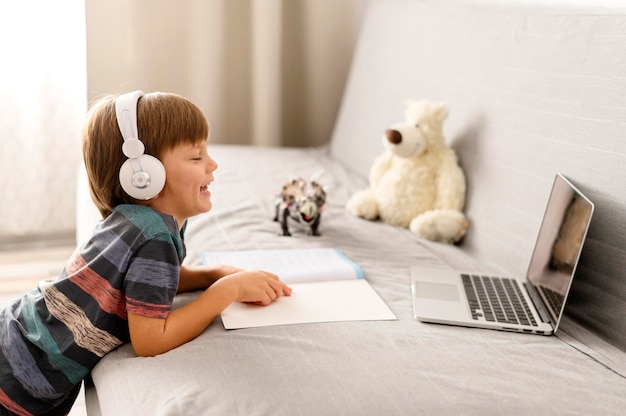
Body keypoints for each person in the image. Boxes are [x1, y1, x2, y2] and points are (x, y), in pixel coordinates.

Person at [0, 91, 291, 416]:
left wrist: (211, 274)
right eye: (196, 157)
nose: (213, 164)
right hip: (17, 377)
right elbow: (150, 341)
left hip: (17, 337)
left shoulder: (137, 221)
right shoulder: (154, 238)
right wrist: (227, 290)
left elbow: (143, 286)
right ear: (143, 174)